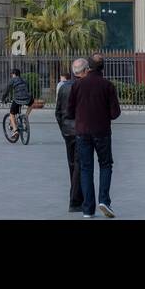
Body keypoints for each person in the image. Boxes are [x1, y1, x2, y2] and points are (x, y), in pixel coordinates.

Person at [66, 52, 120, 218]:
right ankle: (104, 200)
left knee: (86, 168)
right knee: (105, 164)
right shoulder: (108, 85)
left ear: (88, 67)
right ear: (103, 67)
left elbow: (69, 111)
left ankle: (88, 209)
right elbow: (115, 113)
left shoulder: (77, 85)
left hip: (82, 132)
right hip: (102, 131)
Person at [54, 65, 85, 213]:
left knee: (72, 164)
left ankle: (77, 196)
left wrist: (63, 129)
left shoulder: (63, 88)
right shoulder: (82, 87)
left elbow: (58, 112)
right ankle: (75, 201)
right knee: (79, 164)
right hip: (80, 130)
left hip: (67, 131)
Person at [2, 68, 33, 136]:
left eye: (12, 74)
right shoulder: (24, 80)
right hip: (27, 98)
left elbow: (6, 91)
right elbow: (27, 89)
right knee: (31, 104)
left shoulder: (12, 80)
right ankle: (26, 116)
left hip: (18, 99)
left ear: (13, 74)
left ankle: (15, 130)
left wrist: (3, 99)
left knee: (12, 114)